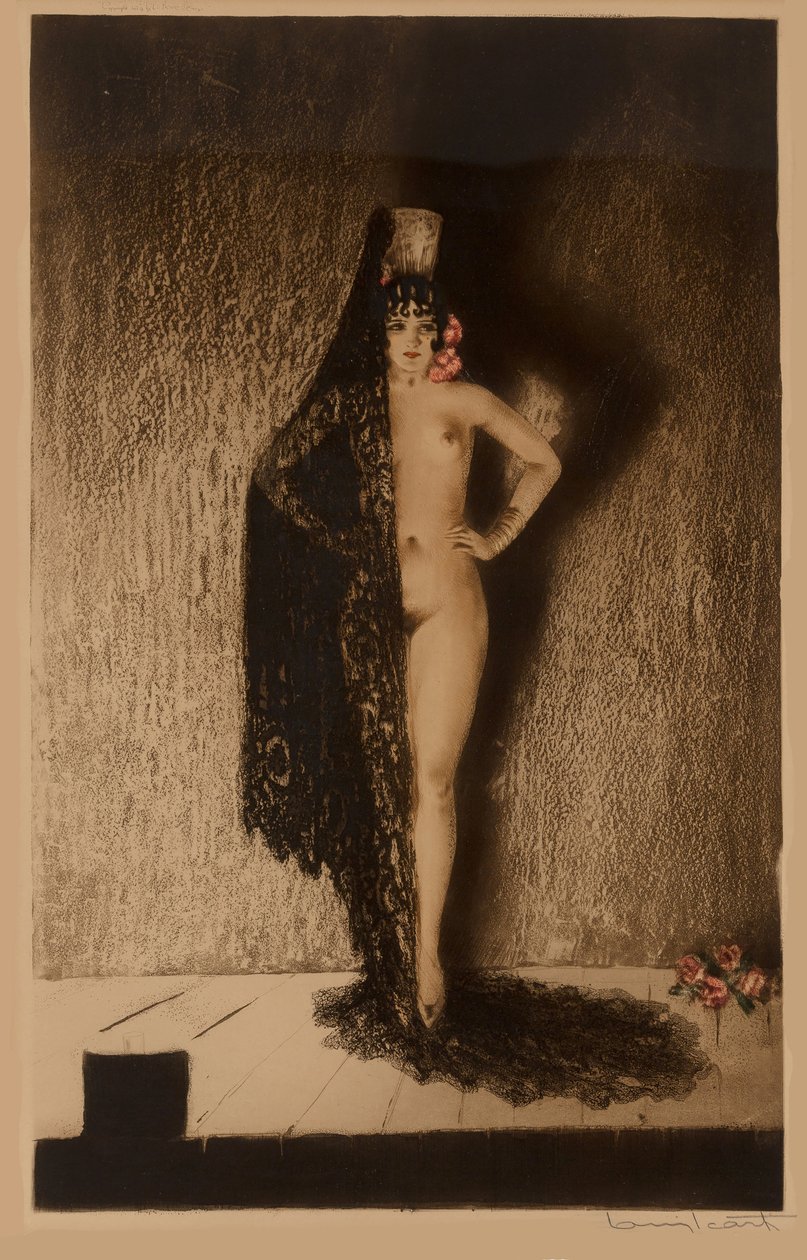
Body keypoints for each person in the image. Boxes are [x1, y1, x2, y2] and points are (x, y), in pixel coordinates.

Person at [379, 210, 562, 1026]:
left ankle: (427, 956)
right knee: (382, 783)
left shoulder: (463, 400)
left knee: (434, 779)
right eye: (397, 325)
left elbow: (543, 459)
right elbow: (284, 475)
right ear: (376, 331)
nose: (412, 341)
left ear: (442, 335)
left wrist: (499, 534)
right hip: (374, 605)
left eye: (425, 328)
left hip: (451, 599)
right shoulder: (354, 407)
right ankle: (389, 946)